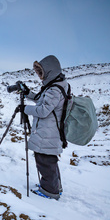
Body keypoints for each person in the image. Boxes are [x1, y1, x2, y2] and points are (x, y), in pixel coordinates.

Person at [22, 55, 69, 200]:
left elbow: (43, 111)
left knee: (45, 161)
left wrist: (25, 109)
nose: (40, 76)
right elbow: (40, 99)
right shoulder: (55, 85)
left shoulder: (55, 89)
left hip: (48, 132)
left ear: (50, 70)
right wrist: (27, 92)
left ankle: (50, 191)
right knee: (49, 160)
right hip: (48, 131)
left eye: (41, 72)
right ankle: (55, 187)